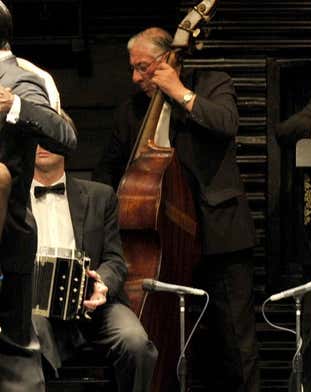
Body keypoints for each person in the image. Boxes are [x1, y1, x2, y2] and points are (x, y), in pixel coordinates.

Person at [92, 27, 259, 391]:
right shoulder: (130, 111)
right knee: (169, 343)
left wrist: (179, 93)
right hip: (161, 248)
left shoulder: (213, 82)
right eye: (133, 69)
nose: (136, 78)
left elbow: (227, 123)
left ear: (170, 60)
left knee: (235, 346)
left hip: (220, 238)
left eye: (144, 68)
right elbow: (106, 171)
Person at [30, 143, 158, 392]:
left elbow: (115, 259)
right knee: (31, 334)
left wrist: (102, 284)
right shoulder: (11, 197)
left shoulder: (101, 196)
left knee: (137, 344)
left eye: (50, 138)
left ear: (66, 143)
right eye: (36, 138)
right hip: (36, 307)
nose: (42, 146)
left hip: (94, 304)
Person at [0, 1, 77, 390]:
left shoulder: (22, 77)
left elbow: (65, 136)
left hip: (5, 239)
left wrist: (15, 105)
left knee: (15, 358)